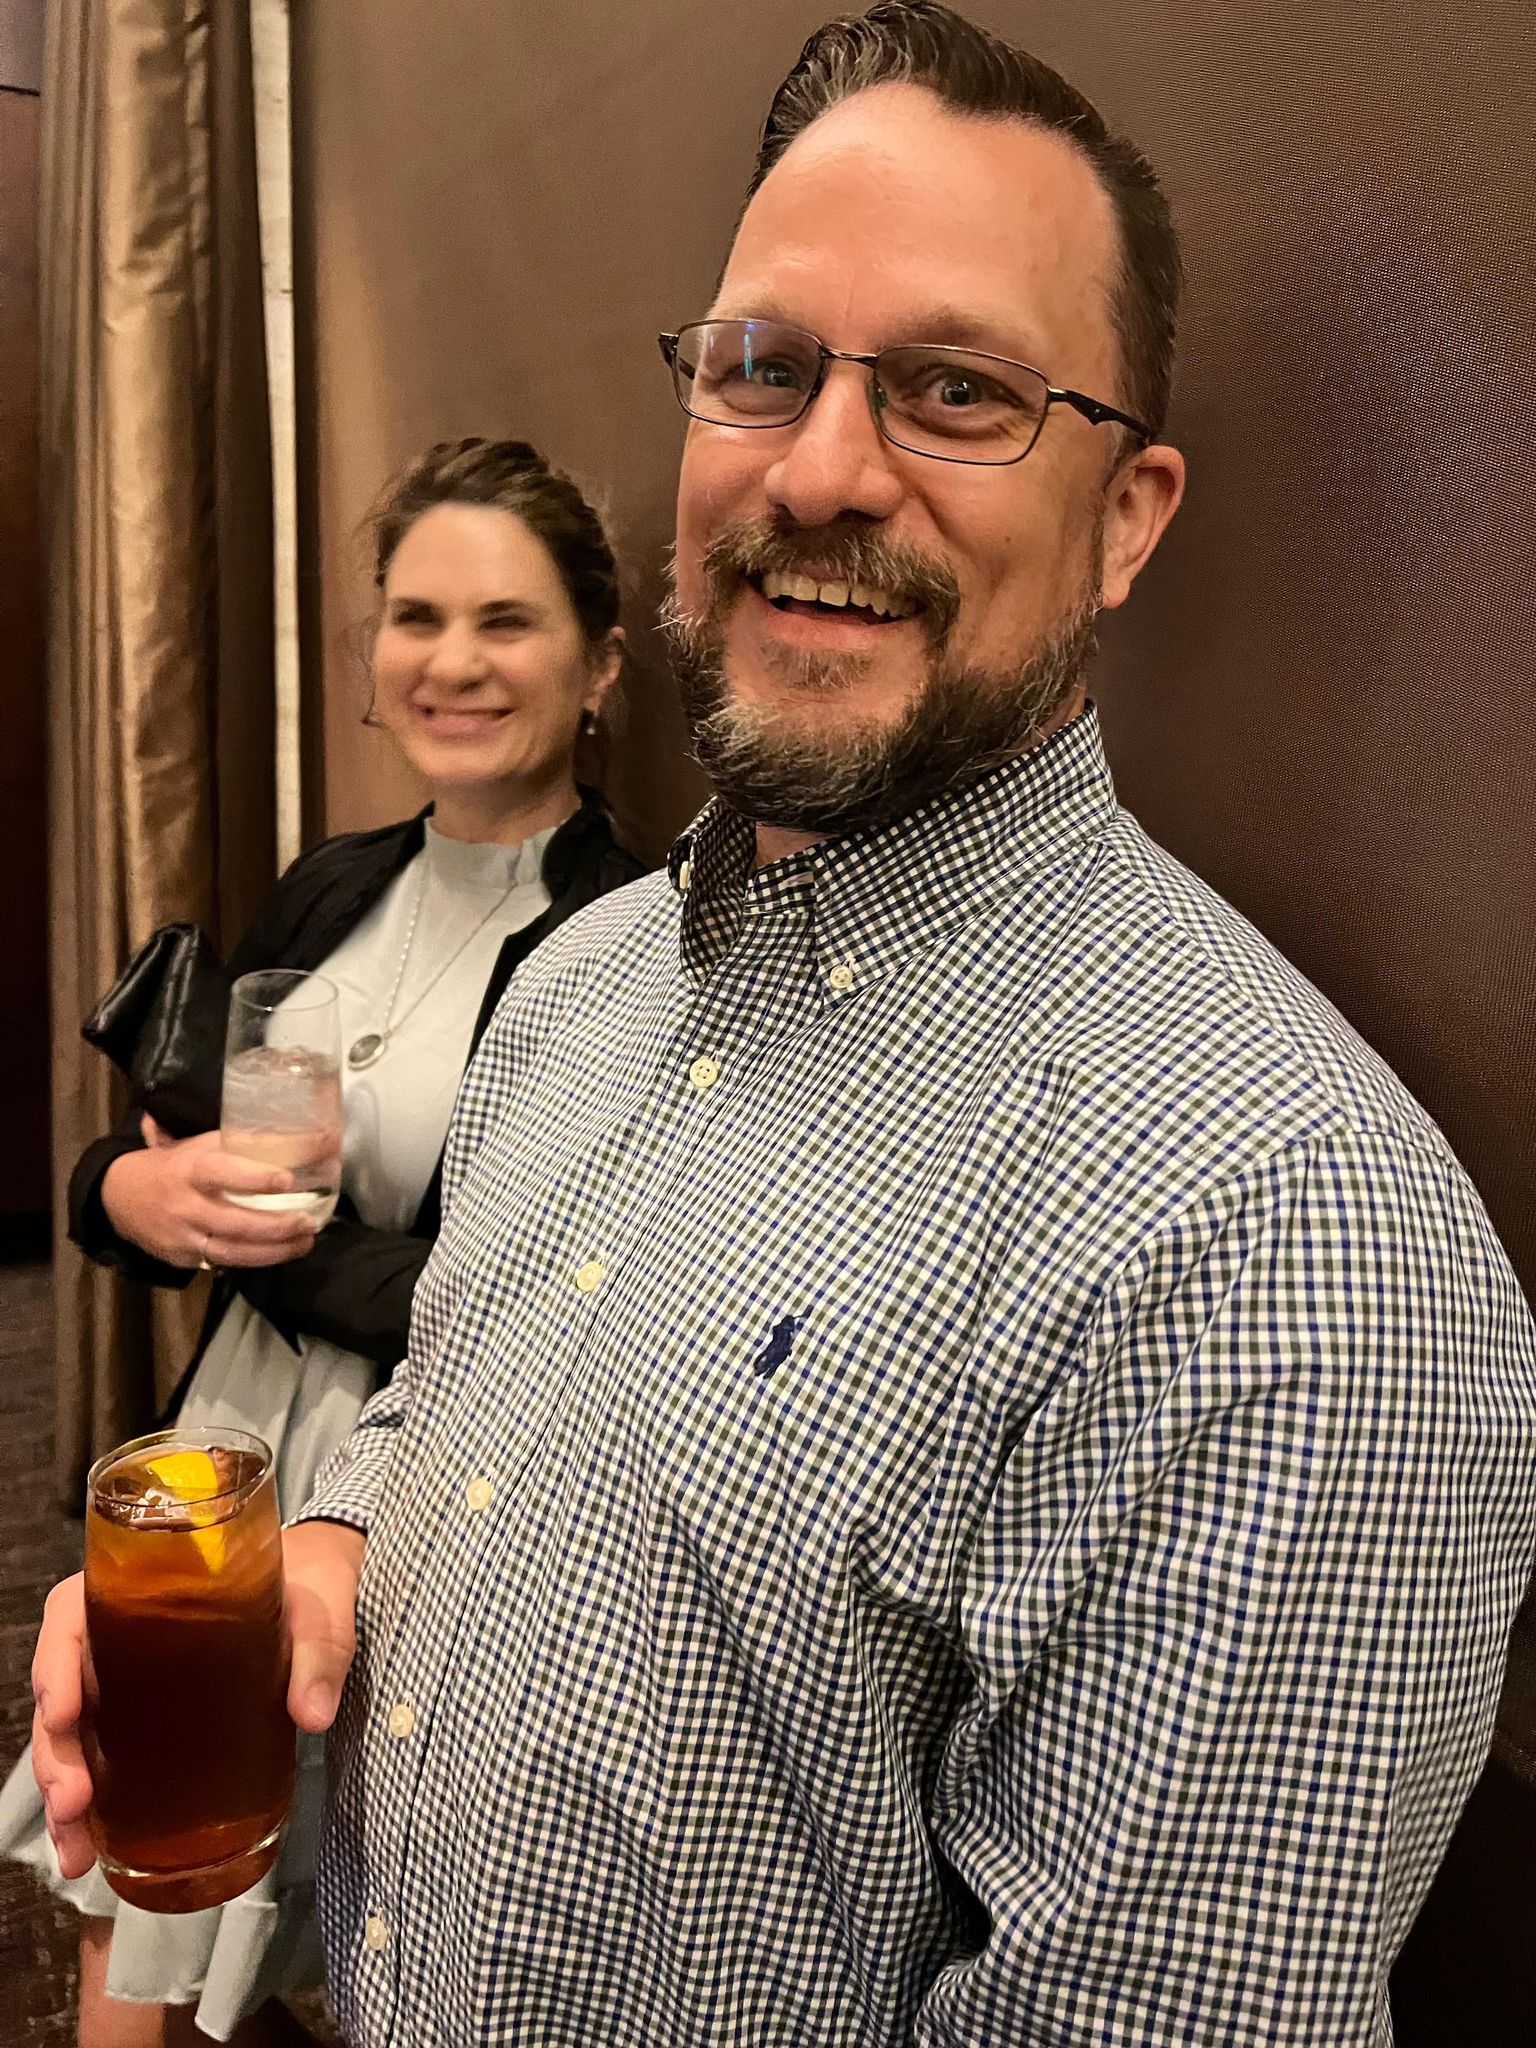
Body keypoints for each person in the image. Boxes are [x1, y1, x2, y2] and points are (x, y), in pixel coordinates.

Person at [34, 6, 1536, 2044]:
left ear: (1129, 512)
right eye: (761, 367)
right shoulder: (574, 991)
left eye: (956, 390)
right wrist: (330, 1539)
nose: (822, 470)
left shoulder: (1284, 1241)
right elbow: (448, 1394)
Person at [7, 436, 644, 2046]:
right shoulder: (329, 889)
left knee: (368, 1894)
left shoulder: (624, 941)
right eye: (416, 617)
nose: (453, 660)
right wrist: (121, 1197)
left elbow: (531, 1290)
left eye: (506, 621)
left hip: (426, 1471)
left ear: (600, 665)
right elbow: (191, 1161)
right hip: (229, 1438)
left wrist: (258, 1251)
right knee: (139, 1880)